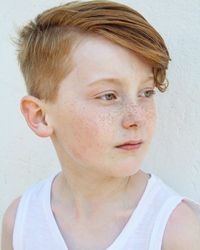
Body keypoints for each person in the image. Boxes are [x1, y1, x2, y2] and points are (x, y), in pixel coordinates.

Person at [1, 0, 200, 249]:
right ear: (40, 116)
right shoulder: (20, 222)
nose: (135, 118)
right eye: (108, 96)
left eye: (146, 92)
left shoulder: (179, 230)